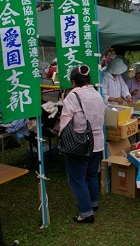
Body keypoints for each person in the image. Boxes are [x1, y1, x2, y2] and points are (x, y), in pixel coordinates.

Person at [59, 65, 105, 223]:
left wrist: (60, 136)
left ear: (73, 82)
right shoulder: (97, 94)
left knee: (77, 178)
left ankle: (86, 213)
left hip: (80, 143)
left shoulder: (73, 96)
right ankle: (94, 203)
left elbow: (65, 121)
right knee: (91, 174)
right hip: (98, 142)